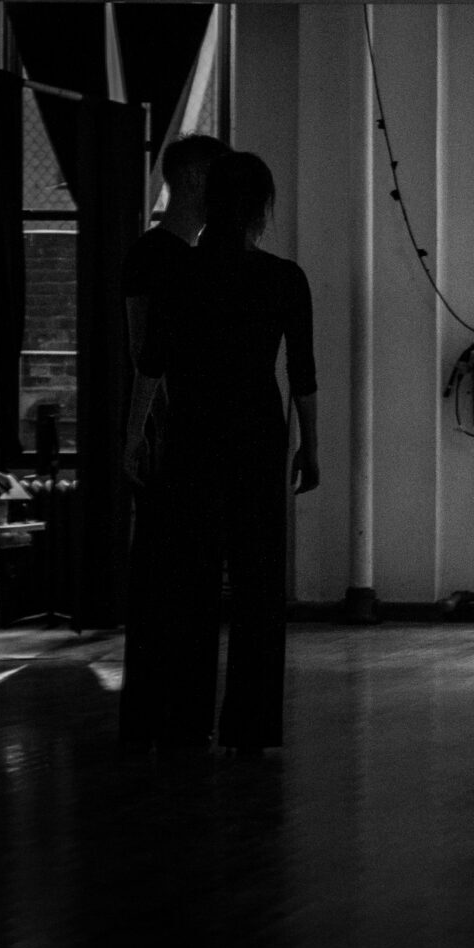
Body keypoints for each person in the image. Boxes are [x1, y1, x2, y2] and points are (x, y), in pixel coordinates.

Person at [126, 152, 320, 757]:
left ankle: (186, 722)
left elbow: (151, 364)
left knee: (192, 583)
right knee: (260, 586)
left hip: (193, 438)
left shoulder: (179, 273)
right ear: (261, 208)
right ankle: (251, 727)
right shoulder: (285, 278)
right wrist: (310, 448)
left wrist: (133, 438)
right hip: (259, 436)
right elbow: (303, 375)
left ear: (209, 203)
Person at [115, 134, 227, 750]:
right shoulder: (160, 255)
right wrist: (150, 433)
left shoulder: (173, 255)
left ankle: (165, 715)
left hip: (180, 440)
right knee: (172, 580)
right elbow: (145, 356)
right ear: (190, 182)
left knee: (174, 579)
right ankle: (170, 714)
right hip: (175, 443)